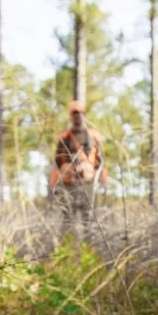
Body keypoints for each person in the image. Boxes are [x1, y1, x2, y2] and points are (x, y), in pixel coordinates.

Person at [50, 100, 106, 236]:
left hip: (88, 182)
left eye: (80, 113)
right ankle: (68, 249)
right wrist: (54, 183)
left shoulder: (94, 136)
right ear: (71, 116)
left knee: (89, 217)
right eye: (74, 114)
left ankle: (89, 248)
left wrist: (103, 179)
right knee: (67, 217)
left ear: (84, 115)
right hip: (68, 184)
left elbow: (101, 161)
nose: (77, 116)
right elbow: (57, 162)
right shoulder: (64, 138)